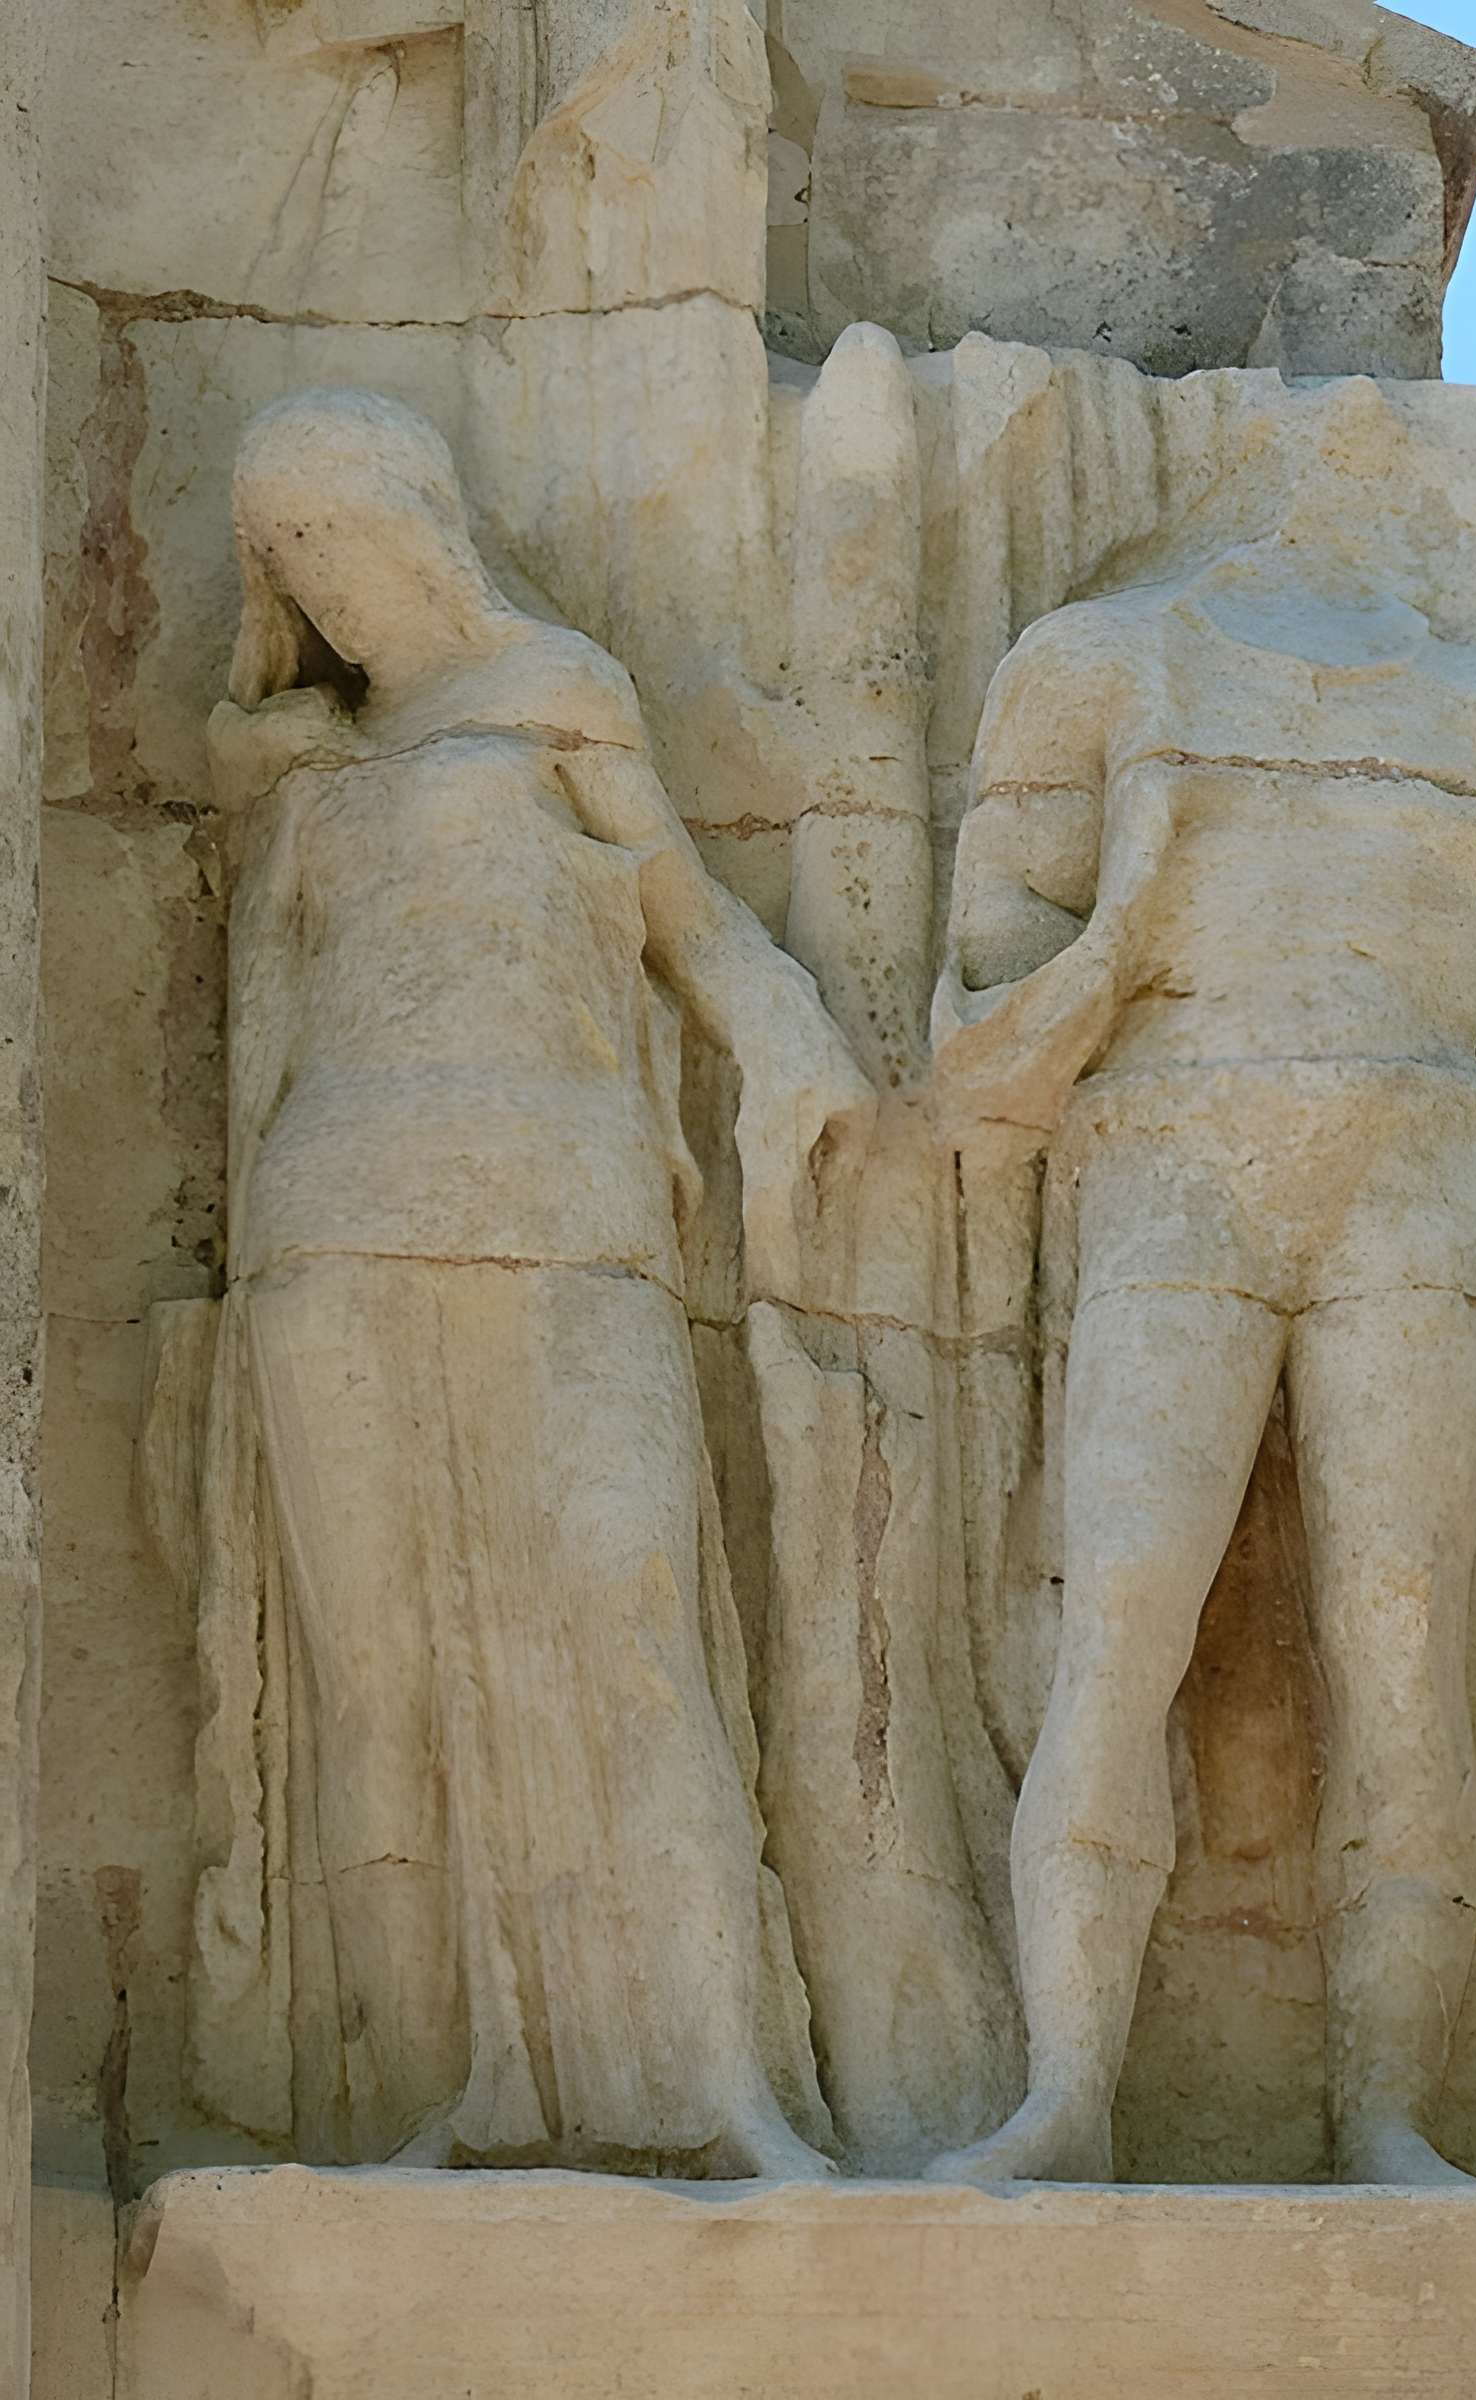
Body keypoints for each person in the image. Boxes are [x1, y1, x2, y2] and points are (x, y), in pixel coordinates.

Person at [928, 377, 1476, 2186]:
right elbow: (977, 1019)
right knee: (1124, 1629)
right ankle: (1069, 2093)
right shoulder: (1098, 665)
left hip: (1409, 1179)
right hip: (1173, 1160)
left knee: (1399, 1650)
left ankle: (1384, 2113)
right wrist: (1115, 956)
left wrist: (1444, 1110)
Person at [202, 386, 868, 2173]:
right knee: (378, 1678)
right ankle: (430, 2093)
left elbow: (687, 921)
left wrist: (789, 1041)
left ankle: (721, 2082)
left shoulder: (558, 692)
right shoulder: (301, 766)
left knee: (629, 1610)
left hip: (564, 1192)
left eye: (350, 524)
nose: (337, 576)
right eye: (296, 553)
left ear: (424, 514)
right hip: (333, 1206)